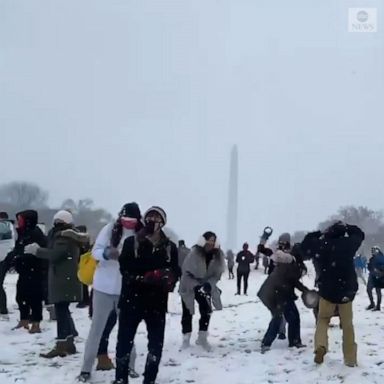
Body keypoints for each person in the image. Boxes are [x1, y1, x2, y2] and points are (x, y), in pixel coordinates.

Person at [114, 206, 179, 384]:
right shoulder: (131, 242)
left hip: (156, 303)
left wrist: (167, 278)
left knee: (156, 345)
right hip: (131, 299)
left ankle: (149, 379)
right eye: (149, 217)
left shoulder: (170, 247)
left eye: (157, 218)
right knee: (124, 343)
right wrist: (144, 278)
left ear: (163, 223)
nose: (152, 221)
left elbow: (175, 271)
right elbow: (124, 268)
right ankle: (121, 379)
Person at [78, 203, 142, 382]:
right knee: (96, 330)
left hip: (127, 289)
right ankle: (86, 368)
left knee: (127, 330)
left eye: (132, 221)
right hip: (103, 288)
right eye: (125, 220)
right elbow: (95, 252)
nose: (128, 224)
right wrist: (107, 253)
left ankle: (129, 366)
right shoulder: (109, 229)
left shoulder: (141, 234)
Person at [301, 221, 364, 367]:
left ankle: (320, 346)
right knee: (347, 325)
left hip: (327, 290)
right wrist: (349, 226)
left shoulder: (321, 245)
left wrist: (319, 233)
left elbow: (304, 246)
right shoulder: (349, 245)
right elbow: (360, 234)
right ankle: (350, 358)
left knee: (323, 320)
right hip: (346, 290)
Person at [27, 210, 89, 358]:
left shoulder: (64, 236)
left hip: (63, 279)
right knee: (63, 310)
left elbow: (55, 254)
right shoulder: (69, 235)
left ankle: (62, 344)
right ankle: (68, 343)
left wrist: (37, 251)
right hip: (65, 279)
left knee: (61, 311)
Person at [257, 238, 308, 353]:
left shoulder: (287, 261)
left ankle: (271, 342)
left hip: (273, 291)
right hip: (280, 293)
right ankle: (289, 341)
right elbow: (293, 280)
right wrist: (305, 290)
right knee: (282, 317)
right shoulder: (292, 263)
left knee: (283, 317)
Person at [179, 232, 225, 351]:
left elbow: (217, 274)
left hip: (206, 285)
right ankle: (186, 337)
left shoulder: (218, 256)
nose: (211, 243)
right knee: (187, 311)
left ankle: (202, 337)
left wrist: (209, 285)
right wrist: (195, 285)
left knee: (206, 310)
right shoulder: (194, 253)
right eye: (208, 240)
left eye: (213, 240)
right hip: (189, 285)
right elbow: (186, 273)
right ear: (203, 241)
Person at [11, 210, 47, 333]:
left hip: (34, 272)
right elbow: (18, 249)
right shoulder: (22, 233)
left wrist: (23, 257)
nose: (18, 222)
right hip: (24, 271)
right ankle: (24, 320)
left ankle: (36, 323)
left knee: (35, 298)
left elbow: (40, 252)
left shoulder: (36, 233)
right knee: (21, 296)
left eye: (20, 219)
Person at [0, 212, 15, 319]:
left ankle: (3, 308)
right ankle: (3, 308)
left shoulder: (2, 226)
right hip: (7, 257)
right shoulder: (10, 227)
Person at [366, 246, 384, 311]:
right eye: (372, 250)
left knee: (377, 290)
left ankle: (377, 306)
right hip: (372, 276)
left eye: (374, 250)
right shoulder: (372, 259)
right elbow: (370, 267)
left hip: (379, 276)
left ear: (377, 250)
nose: (372, 252)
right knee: (369, 289)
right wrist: (369, 266)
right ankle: (372, 304)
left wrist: (379, 271)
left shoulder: (381, 258)